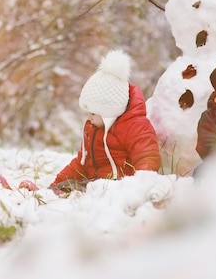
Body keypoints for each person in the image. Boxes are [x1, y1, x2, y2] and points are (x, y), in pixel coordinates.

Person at [49, 50, 161, 194]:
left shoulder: (135, 126)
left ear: (110, 112)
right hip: (94, 184)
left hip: (120, 187)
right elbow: (81, 163)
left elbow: (147, 157)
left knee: (79, 189)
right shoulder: (93, 128)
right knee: (67, 186)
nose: (89, 118)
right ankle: (49, 194)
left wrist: (139, 187)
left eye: (93, 113)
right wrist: (55, 184)